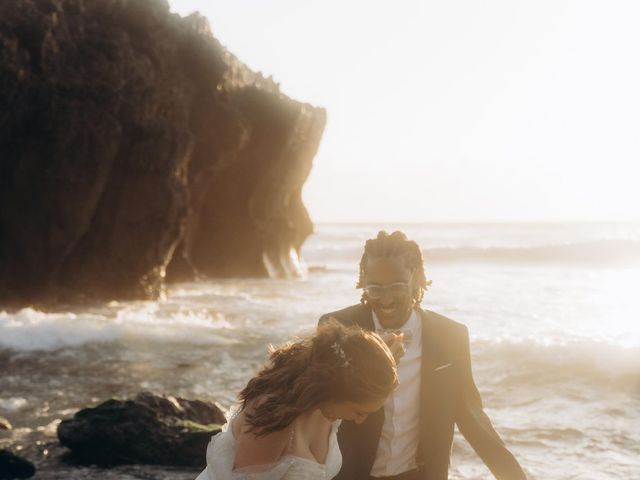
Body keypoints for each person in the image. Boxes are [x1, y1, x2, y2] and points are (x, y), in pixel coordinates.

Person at [320, 231, 527, 480]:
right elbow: (319, 408)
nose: (385, 299)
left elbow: (472, 418)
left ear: (416, 278)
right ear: (363, 281)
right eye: (375, 288)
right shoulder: (337, 327)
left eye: (397, 286)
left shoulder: (450, 336)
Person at [196, 320, 398, 480]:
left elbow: (359, 366)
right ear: (337, 390)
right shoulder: (273, 418)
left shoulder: (328, 402)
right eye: (359, 411)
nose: (359, 420)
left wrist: (380, 358)